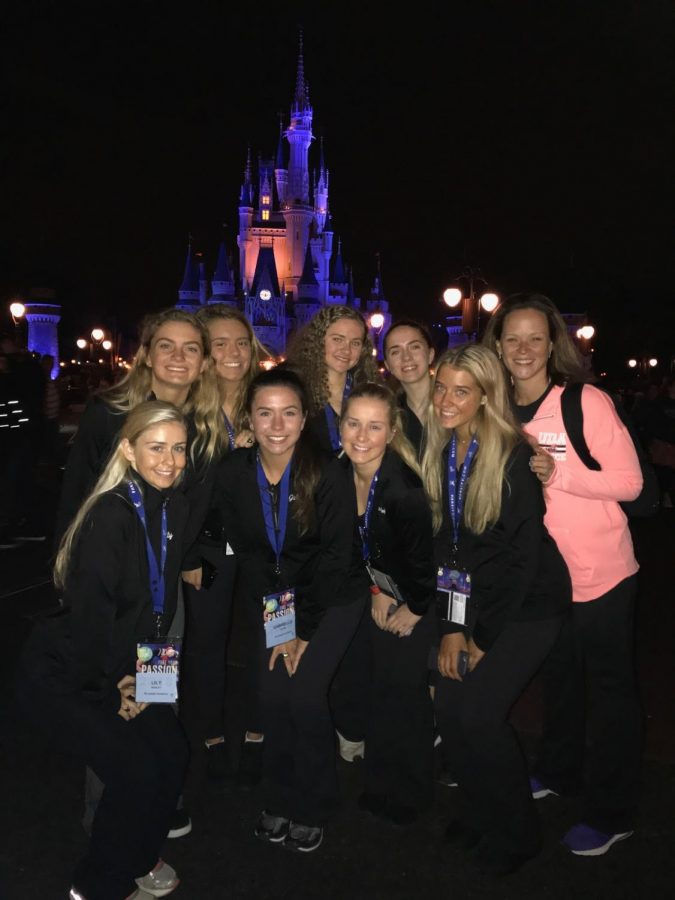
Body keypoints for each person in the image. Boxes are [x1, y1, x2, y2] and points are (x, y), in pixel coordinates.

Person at [483, 292, 644, 857]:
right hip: (544, 581)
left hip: (601, 574)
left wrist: (562, 473)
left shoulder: (583, 401)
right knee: (560, 683)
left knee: (610, 694)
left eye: (534, 338)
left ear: (552, 345)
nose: (523, 349)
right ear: (498, 348)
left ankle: (613, 810)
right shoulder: (497, 409)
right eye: (512, 339)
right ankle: (559, 769)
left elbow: (631, 484)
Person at [55, 307, 224, 839]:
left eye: (191, 348)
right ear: (146, 354)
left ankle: (155, 796)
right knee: (116, 700)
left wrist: (191, 554)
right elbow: (78, 497)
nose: (178, 357)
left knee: (155, 698)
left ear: (203, 362)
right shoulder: (109, 414)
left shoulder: (204, 422)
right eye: (166, 346)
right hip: (115, 586)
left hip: (162, 589)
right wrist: (71, 575)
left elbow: (195, 504)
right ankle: (107, 825)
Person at [14, 401, 191, 900]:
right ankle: (97, 885)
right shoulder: (111, 516)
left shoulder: (165, 505)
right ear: (128, 450)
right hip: (70, 672)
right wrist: (112, 692)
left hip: (131, 662)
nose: (170, 460)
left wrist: (150, 676)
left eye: (179, 449)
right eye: (157, 447)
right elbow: (93, 622)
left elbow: (154, 606)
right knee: (135, 770)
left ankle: (138, 855)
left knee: (171, 751)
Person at [422, 344, 571, 875]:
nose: (445, 398)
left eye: (461, 391)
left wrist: (476, 637)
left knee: (480, 715)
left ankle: (518, 832)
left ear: (485, 396)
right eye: (441, 386)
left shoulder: (509, 457)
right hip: (477, 599)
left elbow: (519, 565)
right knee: (450, 710)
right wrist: (451, 627)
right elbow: (451, 552)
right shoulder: (444, 451)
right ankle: (482, 811)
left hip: (529, 606)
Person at [215, 367, 368, 852]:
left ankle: (316, 802)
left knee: (302, 696)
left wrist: (301, 629)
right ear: (250, 419)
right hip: (275, 599)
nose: (276, 425)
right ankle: (278, 797)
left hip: (333, 596)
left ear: (305, 420)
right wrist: (276, 619)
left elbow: (336, 558)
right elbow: (244, 545)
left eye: (288, 413)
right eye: (265, 413)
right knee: (271, 696)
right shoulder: (234, 472)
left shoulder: (327, 473)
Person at [339, 382, 436, 825]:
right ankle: (379, 781)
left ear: (392, 431)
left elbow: (423, 567)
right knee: (381, 691)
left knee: (405, 697)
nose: (361, 435)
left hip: (415, 601)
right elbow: (358, 548)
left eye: (374, 426)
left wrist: (409, 608)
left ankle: (413, 791)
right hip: (379, 595)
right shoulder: (342, 473)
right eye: (353, 423)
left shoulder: (402, 490)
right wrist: (377, 593)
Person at [181, 305, 268, 784]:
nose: (233, 352)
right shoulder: (191, 409)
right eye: (220, 343)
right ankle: (210, 734)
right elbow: (181, 488)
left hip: (260, 547)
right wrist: (189, 555)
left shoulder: (265, 398)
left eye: (241, 342)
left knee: (265, 638)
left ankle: (258, 731)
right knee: (206, 643)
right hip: (210, 549)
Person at [285, 305, 378, 454]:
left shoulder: (367, 390)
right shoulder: (292, 389)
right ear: (318, 340)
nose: (346, 350)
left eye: (355, 343)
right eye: (337, 339)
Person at [382, 319, 435, 457]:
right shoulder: (388, 416)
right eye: (395, 352)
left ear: (430, 355)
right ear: (388, 366)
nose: (406, 357)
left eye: (415, 347)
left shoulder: (454, 404)